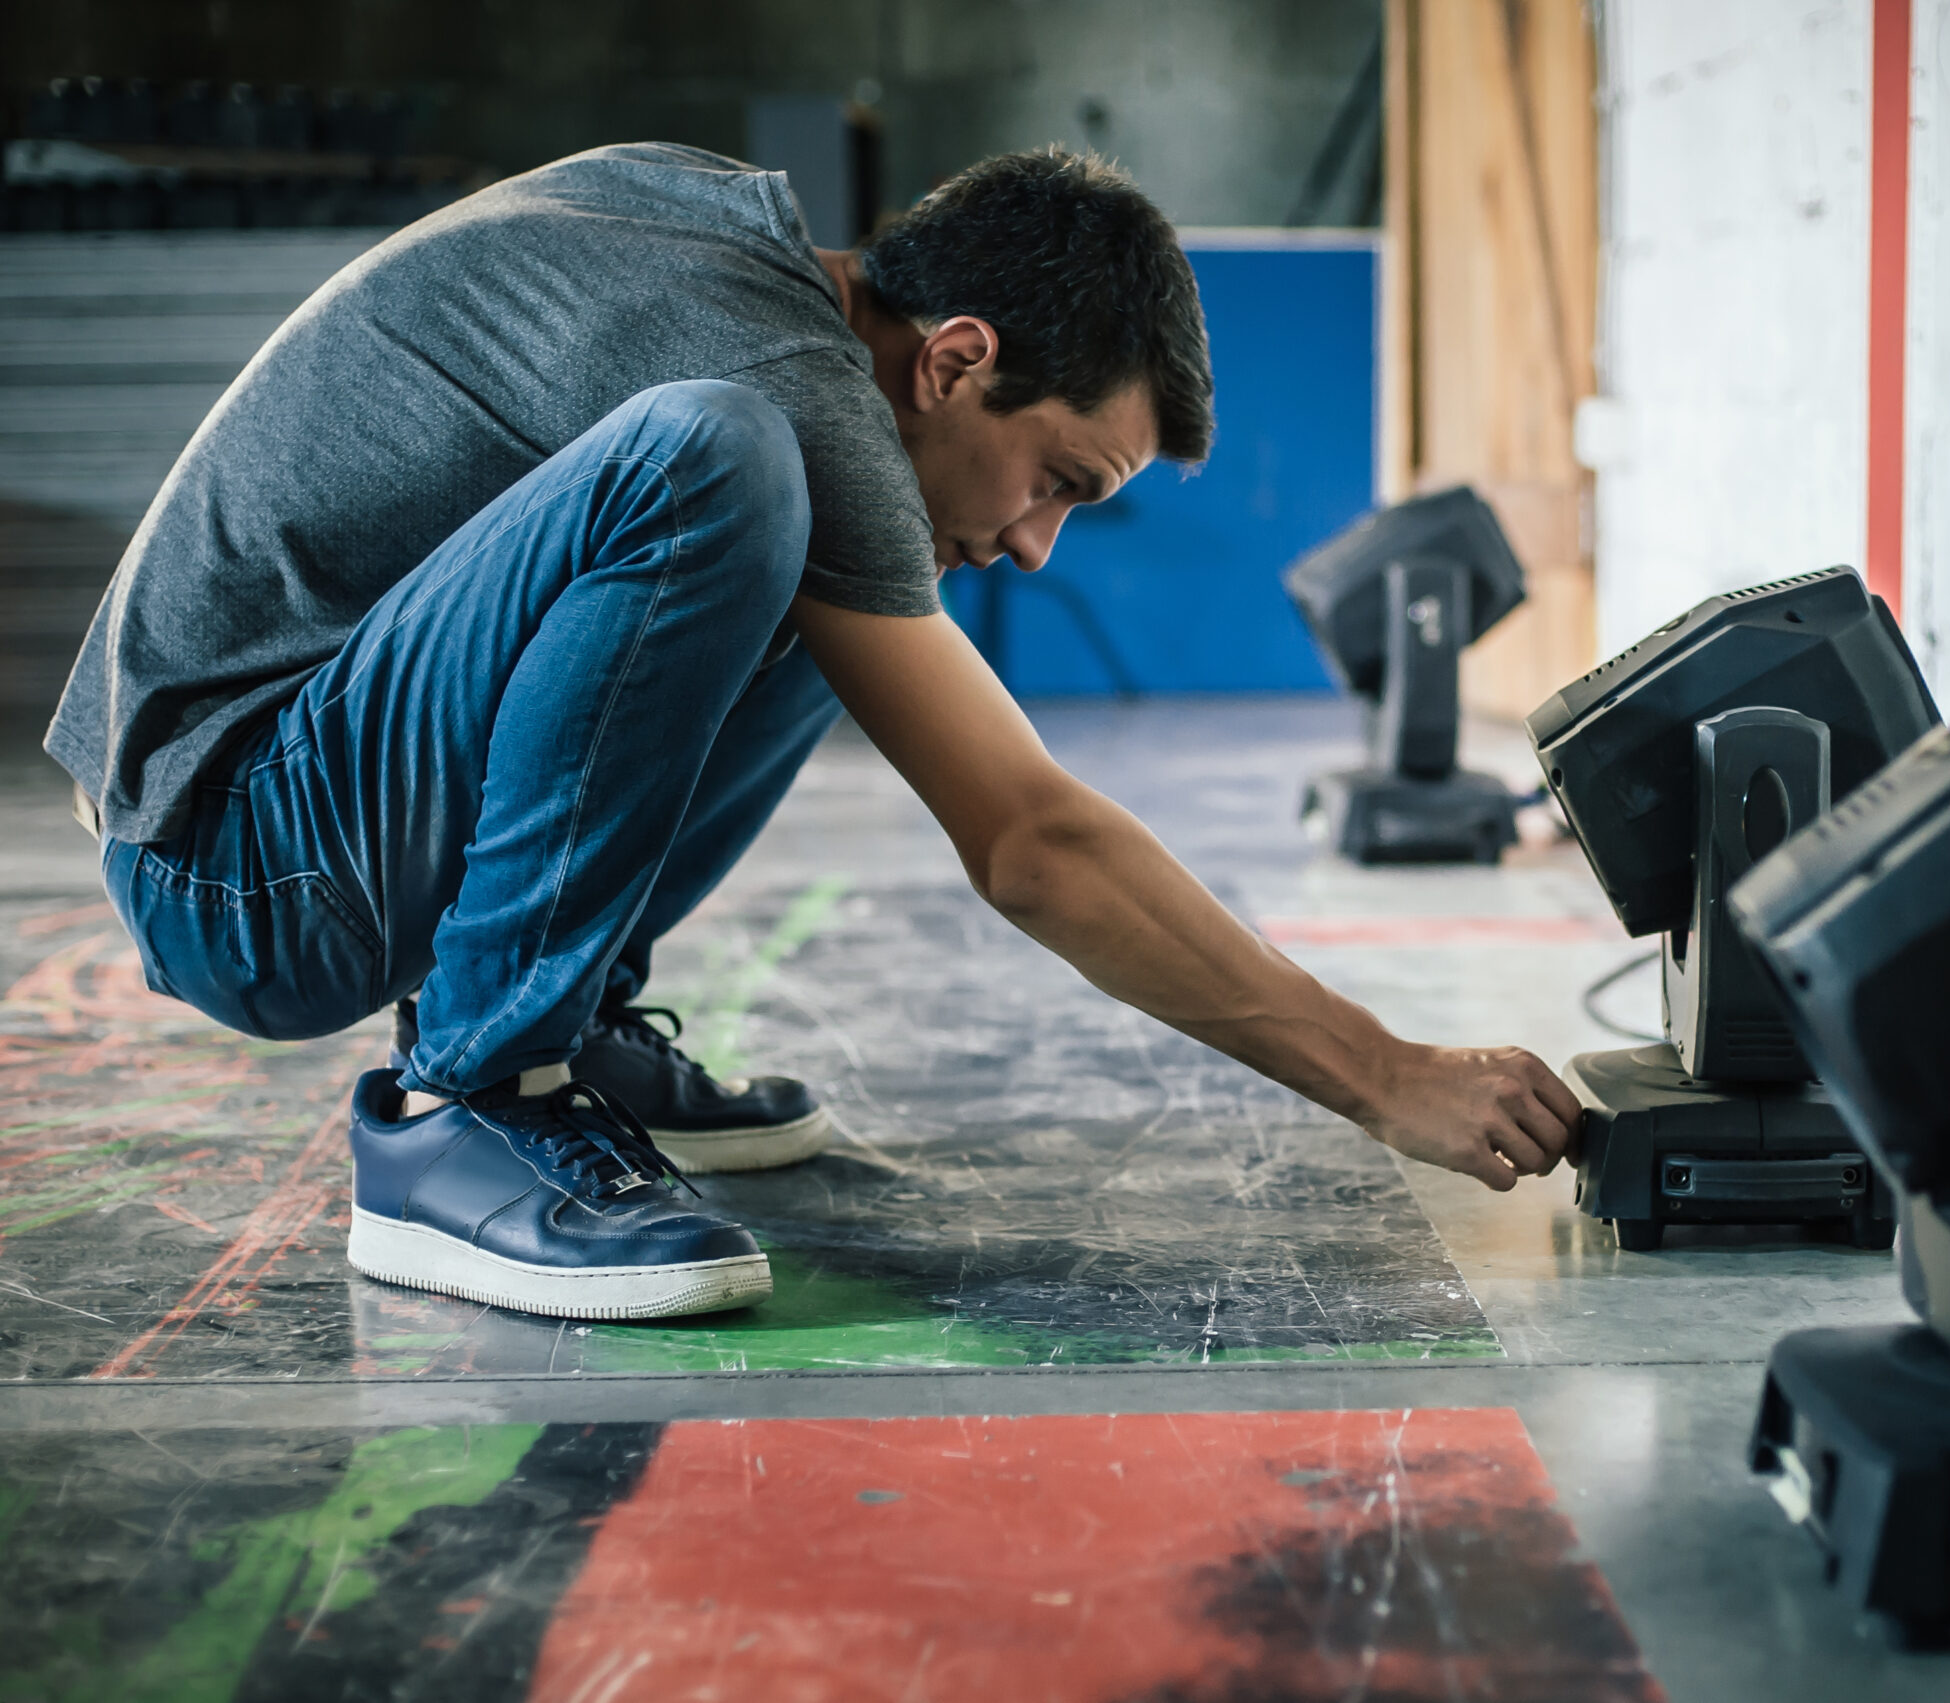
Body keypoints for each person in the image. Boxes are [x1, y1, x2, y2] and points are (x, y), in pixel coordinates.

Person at [47, 142, 1581, 1322]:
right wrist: (1384, 1072)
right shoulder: (765, 364)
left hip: (285, 798)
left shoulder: (760, 273)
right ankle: (469, 1108)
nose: (1043, 542)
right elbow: (1031, 842)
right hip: (239, 864)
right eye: (1059, 477)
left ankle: (563, 1019)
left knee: (832, 544)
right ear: (959, 358)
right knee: (721, 463)